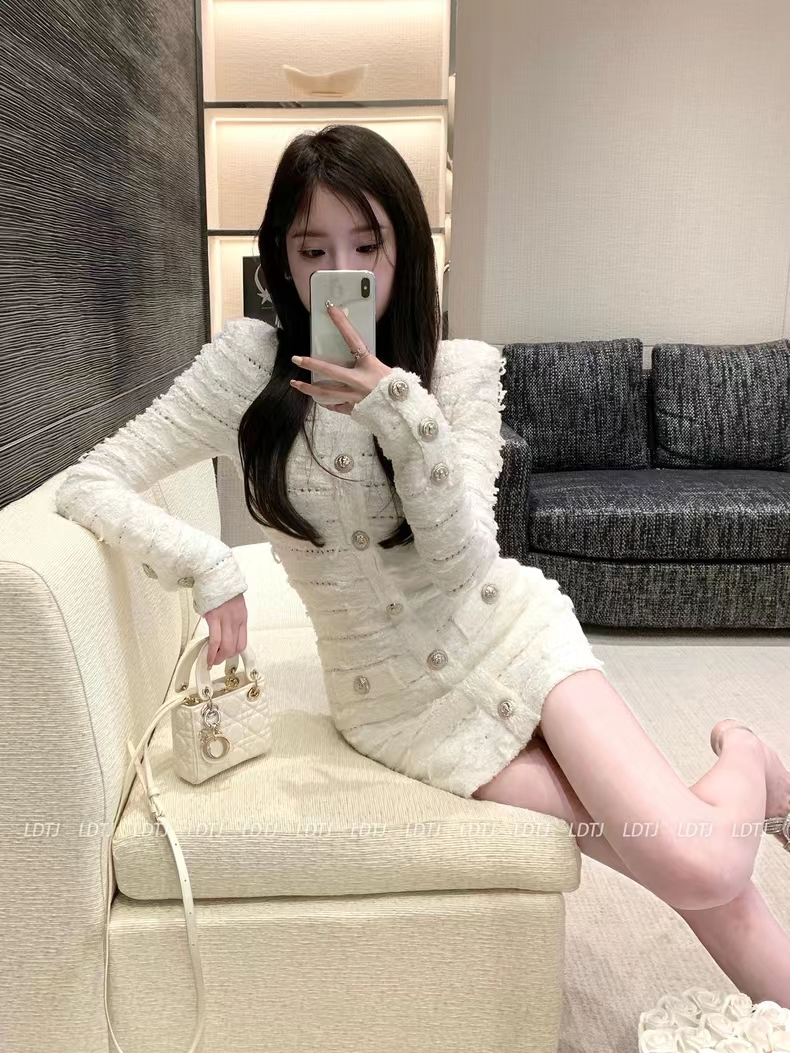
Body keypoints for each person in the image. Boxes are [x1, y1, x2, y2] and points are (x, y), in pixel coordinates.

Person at [55, 124, 790, 1003]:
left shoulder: (458, 373)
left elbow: (463, 557)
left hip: (510, 637)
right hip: (397, 709)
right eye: (313, 250)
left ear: (404, 247)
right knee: (683, 862)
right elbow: (91, 480)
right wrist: (209, 565)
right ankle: (752, 771)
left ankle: (746, 752)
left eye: (367, 246)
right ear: (280, 259)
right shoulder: (244, 369)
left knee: (698, 865)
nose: (342, 272)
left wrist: (397, 409)